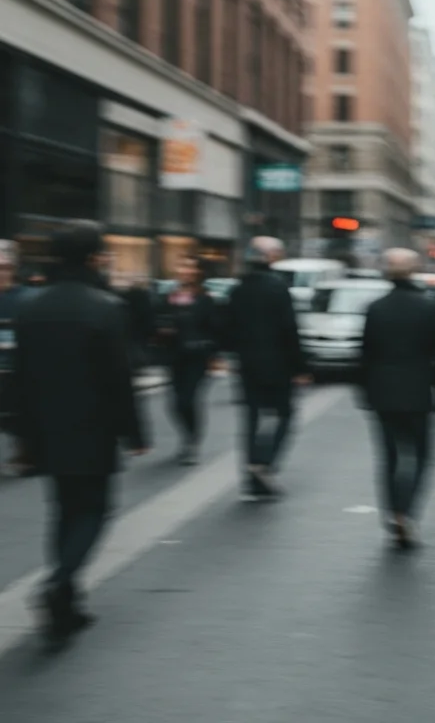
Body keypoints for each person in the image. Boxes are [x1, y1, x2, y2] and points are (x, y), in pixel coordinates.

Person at [10, 222, 148, 647]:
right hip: (93, 428)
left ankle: (67, 606)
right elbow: (118, 379)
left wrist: (23, 438)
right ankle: (60, 582)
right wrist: (133, 432)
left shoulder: (31, 308)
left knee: (63, 510)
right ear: (93, 258)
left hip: (45, 428)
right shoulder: (104, 308)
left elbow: (20, 379)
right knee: (93, 511)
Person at [360, 248, 435, 550]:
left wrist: (365, 392)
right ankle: (406, 512)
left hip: (382, 393)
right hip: (417, 393)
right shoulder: (428, 307)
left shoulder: (375, 308)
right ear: (414, 271)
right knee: (422, 456)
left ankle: (393, 511)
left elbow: (364, 354)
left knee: (389, 457)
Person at [222, 237, 310, 500]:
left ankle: (251, 475)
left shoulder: (239, 288)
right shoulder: (278, 288)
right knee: (284, 414)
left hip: (247, 364)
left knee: (251, 418)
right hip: (278, 363)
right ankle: (264, 461)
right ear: (270, 256)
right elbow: (289, 330)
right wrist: (300, 367)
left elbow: (227, 327)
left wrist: (235, 355)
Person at [157, 256, 219, 465]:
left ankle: (192, 441)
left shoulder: (205, 299)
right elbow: (157, 321)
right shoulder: (169, 297)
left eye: (189, 267)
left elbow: (215, 328)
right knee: (174, 403)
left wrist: (213, 354)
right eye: (182, 266)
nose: (185, 271)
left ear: (198, 273)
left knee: (188, 399)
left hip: (197, 357)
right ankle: (187, 436)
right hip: (175, 357)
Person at [0, 242, 33, 475]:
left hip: (18, 366)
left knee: (19, 417)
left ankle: (26, 454)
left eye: (4, 266)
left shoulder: (27, 298)